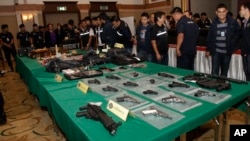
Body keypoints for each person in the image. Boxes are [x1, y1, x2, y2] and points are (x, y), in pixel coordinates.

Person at [206, 3, 240, 77]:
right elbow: (210, 37)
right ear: (216, 12)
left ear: (226, 11)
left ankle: (221, 87)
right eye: (219, 12)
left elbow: (239, 33)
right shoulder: (213, 23)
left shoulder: (232, 22)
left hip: (227, 53)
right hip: (216, 52)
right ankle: (213, 87)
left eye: (223, 11)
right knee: (214, 73)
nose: (221, 13)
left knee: (224, 74)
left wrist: (233, 43)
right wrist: (208, 49)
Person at [239, 2, 250, 81]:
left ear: (246, 10)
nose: (240, 11)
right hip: (245, 53)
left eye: (241, 9)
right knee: (247, 75)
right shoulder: (244, 22)